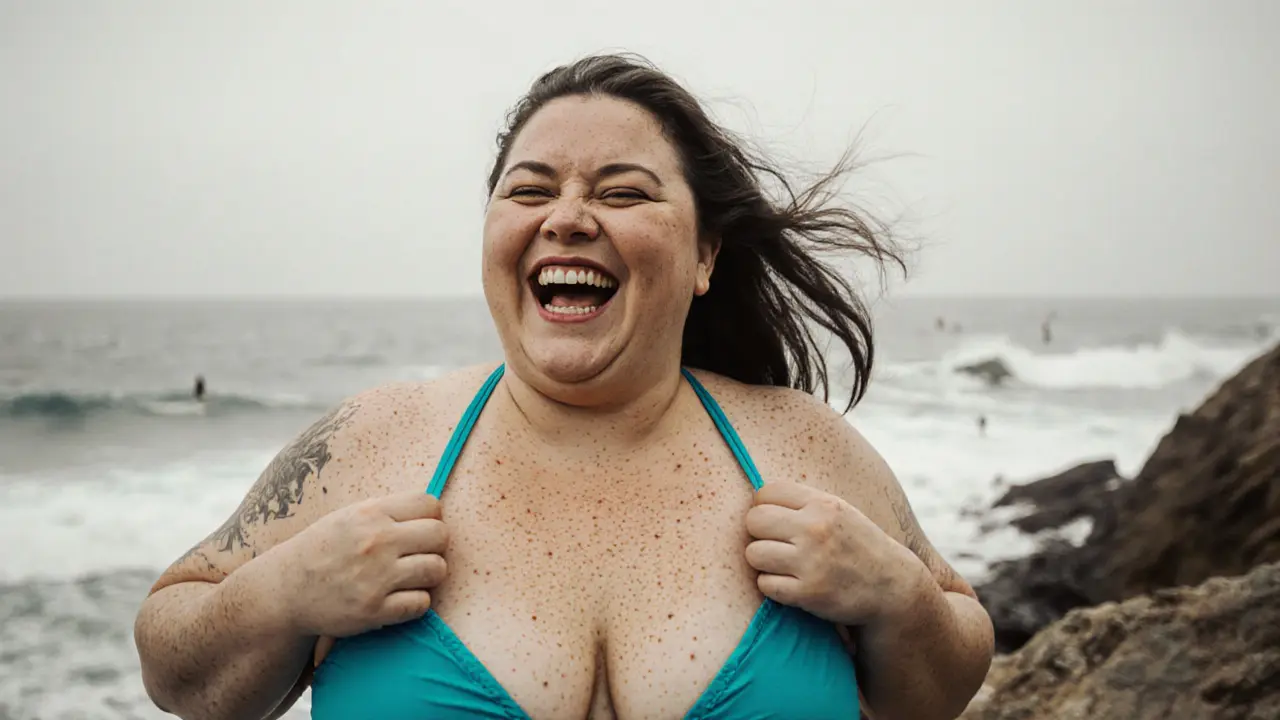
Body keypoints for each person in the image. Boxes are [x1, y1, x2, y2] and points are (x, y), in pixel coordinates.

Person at [133, 53, 994, 720]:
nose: (568, 215)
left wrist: (897, 599)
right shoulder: (371, 442)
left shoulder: (800, 447)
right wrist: (283, 596)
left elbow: (947, 678)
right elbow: (173, 665)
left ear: (703, 258)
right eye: (529, 189)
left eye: (623, 192)